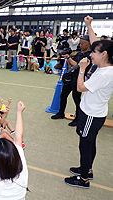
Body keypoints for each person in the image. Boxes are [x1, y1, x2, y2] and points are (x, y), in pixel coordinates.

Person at [65, 15, 113, 189]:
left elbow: (80, 87)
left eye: (94, 53)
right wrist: (89, 25)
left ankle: (83, 179)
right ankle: (87, 169)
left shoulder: (103, 74)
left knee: (85, 145)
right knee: (89, 142)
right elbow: (95, 43)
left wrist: (82, 69)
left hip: (91, 114)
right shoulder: (106, 66)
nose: (91, 53)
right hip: (95, 113)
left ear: (104, 54)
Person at [51, 34, 92, 127]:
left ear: (89, 44)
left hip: (79, 79)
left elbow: (77, 65)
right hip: (71, 77)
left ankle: (78, 119)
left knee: (76, 99)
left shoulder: (89, 55)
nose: (80, 45)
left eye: (82, 43)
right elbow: (72, 64)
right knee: (63, 95)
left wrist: (68, 57)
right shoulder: (79, 53)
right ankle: (61, 113)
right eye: (80, 43)